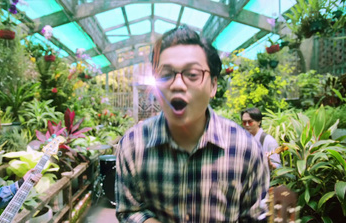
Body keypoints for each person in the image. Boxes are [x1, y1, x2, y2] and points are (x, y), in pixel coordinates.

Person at [115, 25, 270, 223]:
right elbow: (128, 211)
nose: (177, 84)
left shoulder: (246, 149)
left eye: (193, 74)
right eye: (166, 74)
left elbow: (256, 218)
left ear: (213, 85)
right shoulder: (132, 145)